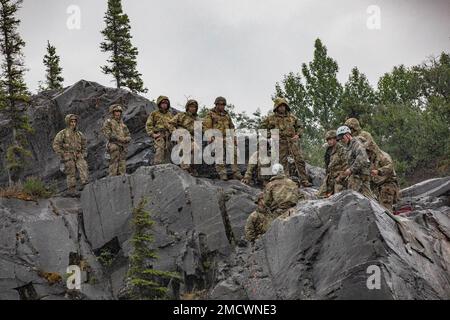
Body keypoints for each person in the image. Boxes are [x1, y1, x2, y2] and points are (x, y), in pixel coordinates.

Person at [260, 98, 311, 187]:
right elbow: (261, 128)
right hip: (279, 142)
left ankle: (304, 180)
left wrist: (298, 135)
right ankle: (286, 181)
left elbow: (300, 126)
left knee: (300, 160)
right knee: (283, 162)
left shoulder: (292, 117)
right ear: (276, 107)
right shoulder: (270, 118)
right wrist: (270, 135)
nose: (282, 108)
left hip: (292, 141)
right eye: (280, 106)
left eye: (284, 106)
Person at [203, 96, 242, 180]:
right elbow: (206, 127)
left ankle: (236, 172)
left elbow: (231, 127)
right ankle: (222, 173)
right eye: (219, 104)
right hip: (215, 138)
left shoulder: (227, 115)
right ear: (216, 104)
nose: (221, 106)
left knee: (234, 151)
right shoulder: (210, 114)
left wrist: (234, 137)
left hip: (226, 137)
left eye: (223, 105)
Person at [52, 114, 89, 197]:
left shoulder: (79, 134)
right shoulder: (63, 133)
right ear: (68, 122)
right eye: (71, 122)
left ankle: (86, 186)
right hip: (68, 156)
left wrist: (83, 153)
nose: (73, 123)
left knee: (83, 167)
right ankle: (72, 190)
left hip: (78, 155)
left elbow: (84, 144)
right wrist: (62, 154)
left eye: (74, 121)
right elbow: (56, 145)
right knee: (71, 172)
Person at [336, 126, 374, 198]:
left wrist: (350, 170)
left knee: (353, 197)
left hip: (359, 175)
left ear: (347, 135)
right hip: (357, 174)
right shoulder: (349, 146)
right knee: (367, 197)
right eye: (340, 139)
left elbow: (362, 158)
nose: (342, 140)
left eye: (342, 138)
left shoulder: (356, 143)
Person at [366, 140, 400, 211]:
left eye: (368, 152)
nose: (367, 154)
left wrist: (379, 171)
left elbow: (390, 167)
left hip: (388, 185)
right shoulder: (371, 160)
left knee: (386, 210)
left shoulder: (382, 156)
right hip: (378, 187)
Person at [169, 99, 200, 175]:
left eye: (194, 107)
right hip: (181, 134)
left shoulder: (197, 119)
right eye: (191, 106)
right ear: (187, 107)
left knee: (196, 148)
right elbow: (170, 124)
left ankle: (191, 167)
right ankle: (185, 167)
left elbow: (198, 132)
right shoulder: (181, 115)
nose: (193, 108)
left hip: (191, 137)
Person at [101, 104, 131, 176]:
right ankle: (112, 177)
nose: (118, 113)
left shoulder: (123, 124)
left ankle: (122, 177)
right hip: (114, 145)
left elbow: (128, 135)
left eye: (119, 111)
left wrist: (126, 139)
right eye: (116, 111)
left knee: (122, 162)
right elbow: (107, 133)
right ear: (112, 112)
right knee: (114, 162)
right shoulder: (109, 122)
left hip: (123, 146)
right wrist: (118, 138)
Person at [317, 130, 348, 197]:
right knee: (320, 196)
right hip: (330, 178)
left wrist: (340, 177)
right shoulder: (328, 151)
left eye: (331, 139)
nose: (329, 142)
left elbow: (346, 166)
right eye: (328, 140)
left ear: (335, 139)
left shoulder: (341, 150)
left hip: (339, 179)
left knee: (338, 197)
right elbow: (327, 166)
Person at [146, 96, 174, 165]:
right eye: (163, 103)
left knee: (169, 150)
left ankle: (167, 168)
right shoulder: (154, 113)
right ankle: (157, 166)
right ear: (159, 103)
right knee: (160, 148)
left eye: (166, 103)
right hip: (159, 134)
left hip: (168, 135)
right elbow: (149, 125)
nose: (164, 104)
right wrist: (153, 134)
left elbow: (173, 125)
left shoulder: (170, 115)